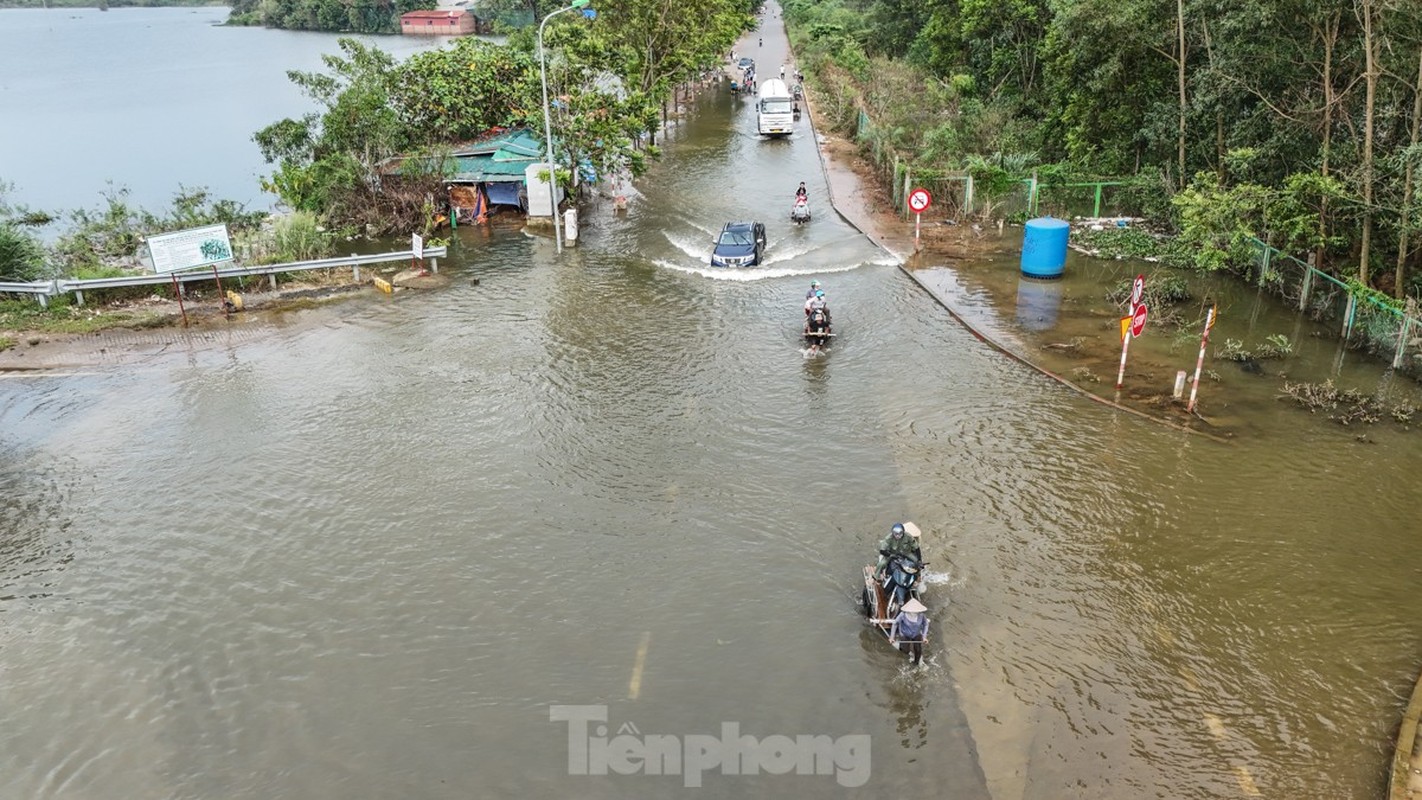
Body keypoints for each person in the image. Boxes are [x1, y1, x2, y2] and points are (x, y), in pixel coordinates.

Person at [889, 598, 929, 665]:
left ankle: (916, 664)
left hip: (916, 634)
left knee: (918, 650)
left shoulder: (921, 615)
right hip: (905, 634)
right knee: (905, 650)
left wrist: (924, 637)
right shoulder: (903, 615)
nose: (915, 612)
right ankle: (905, 655)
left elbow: (926, 624)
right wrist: (892, 637)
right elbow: (895, 624)